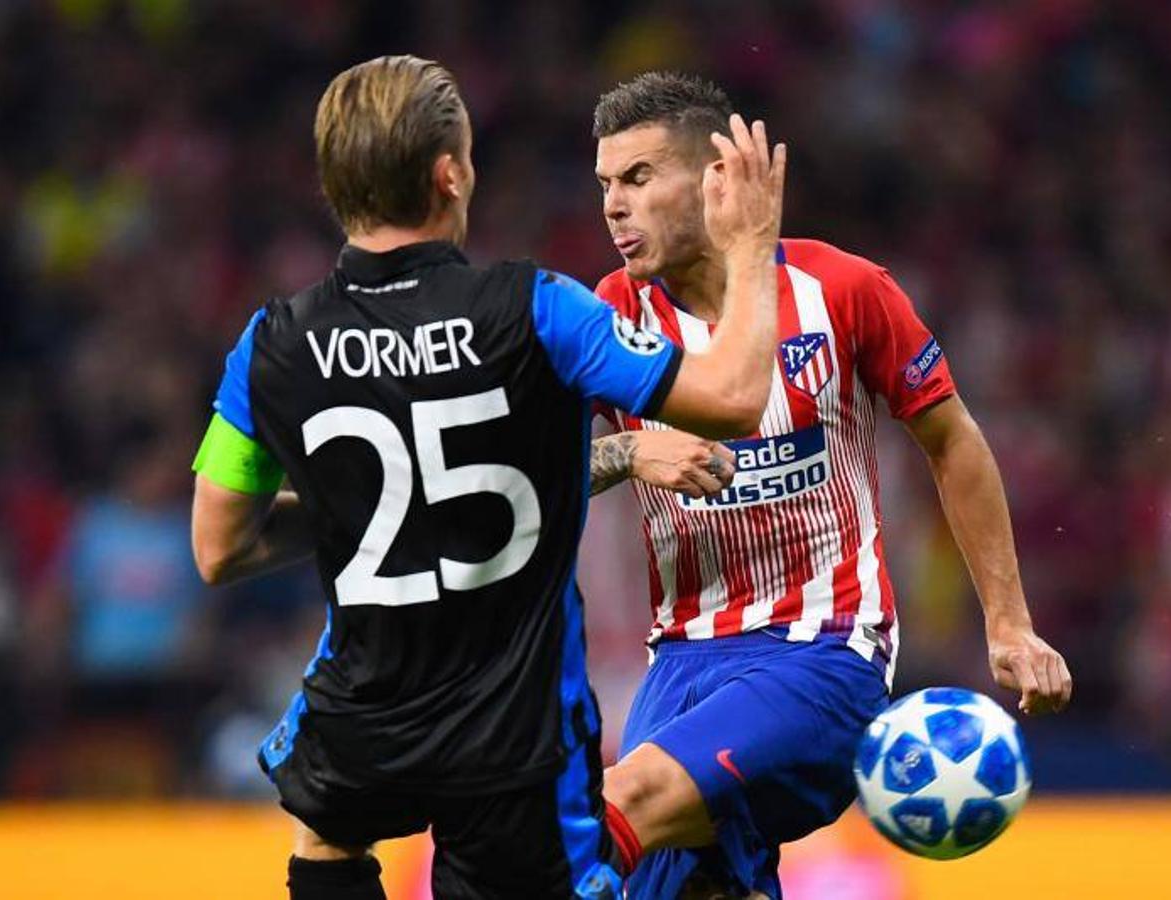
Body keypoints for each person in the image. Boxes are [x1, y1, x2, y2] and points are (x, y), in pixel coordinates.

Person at [188, 56, 787, 900]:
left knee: (326, 840)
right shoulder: (538, 309)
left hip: (363, 716)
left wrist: (351, 513)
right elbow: (730, 396)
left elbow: (218, 548)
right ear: (449, 174)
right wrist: (751, 244)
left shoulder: (270, 345)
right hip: (514, 741)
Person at [584, 72, 1074, 899]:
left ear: (715, 177)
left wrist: (1009, 624)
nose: (612, 206)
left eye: (637, 178)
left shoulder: (840, 289)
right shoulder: (605, 316)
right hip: (678, 667)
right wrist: (626, 457)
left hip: (823, 651)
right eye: (604, 184)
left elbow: (949, 438)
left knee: (606, 813)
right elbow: (528, 476)